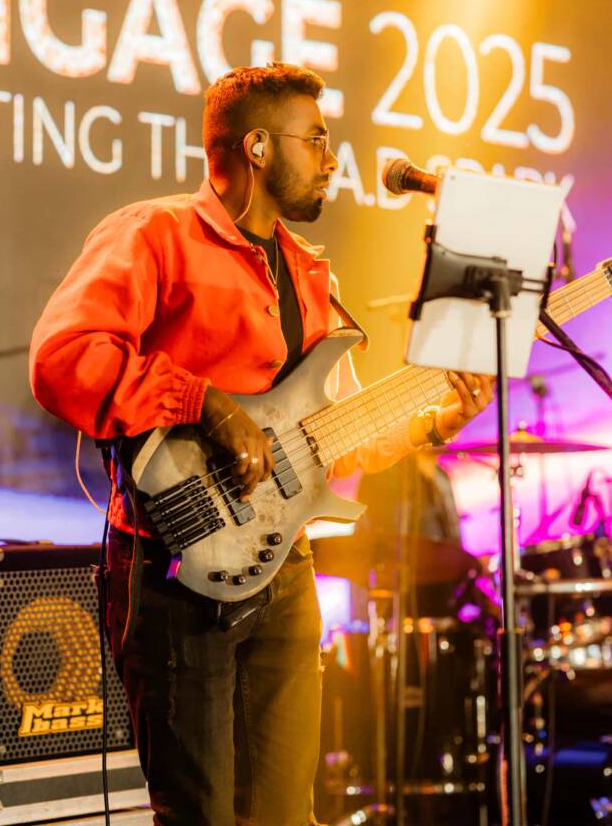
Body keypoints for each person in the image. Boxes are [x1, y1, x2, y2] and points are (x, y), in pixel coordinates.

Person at [30, 63, 494, 826]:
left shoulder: (310, 273)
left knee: (285, 813)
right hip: (173, 569)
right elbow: (63, 360)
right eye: (315, 140)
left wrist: (434, 423)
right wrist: (202, 402)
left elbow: (332, 440)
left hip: (284, 571)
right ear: (256, 147)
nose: (332, 160)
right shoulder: (154, 234)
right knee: (200, 813)